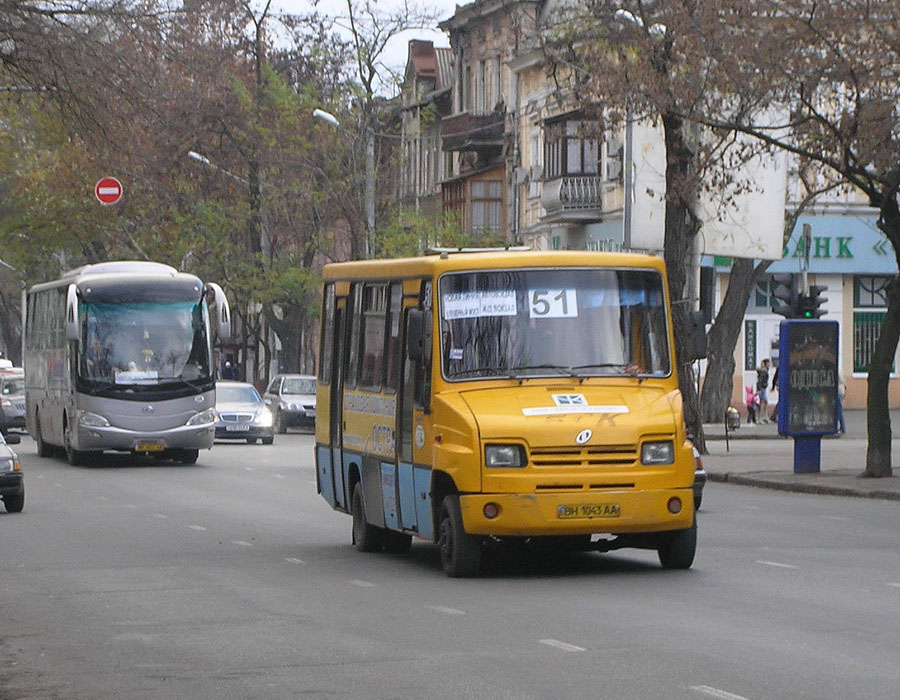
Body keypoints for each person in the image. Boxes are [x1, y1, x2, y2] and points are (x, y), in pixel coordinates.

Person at [756, 358, 771, 423]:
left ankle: (764, 416)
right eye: (768, 363)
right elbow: (760, 380)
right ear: (765, 364)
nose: (770, 364)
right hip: (762, 388)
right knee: (763, 403)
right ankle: (760, 417)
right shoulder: (764, 371)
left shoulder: (765, 370)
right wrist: (759, 389)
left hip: (763, 388)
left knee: (765, 402)